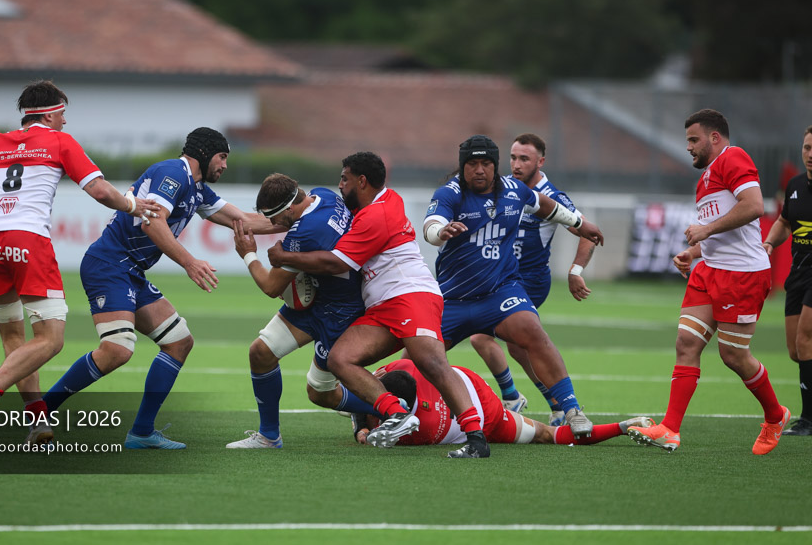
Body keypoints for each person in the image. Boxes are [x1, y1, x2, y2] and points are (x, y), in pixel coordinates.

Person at [41, 127, 279, 450]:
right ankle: (39, 411)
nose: (224, 166)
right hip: (109, 264)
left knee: (179, 342)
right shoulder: (173, 173)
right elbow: (153, 221)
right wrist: (190, 262)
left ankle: (141, 432)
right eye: (222, 157)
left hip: (130, 271)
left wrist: (296, 218)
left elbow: (243, 221)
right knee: (117, 349)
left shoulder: (197, 189)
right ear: (206, 153)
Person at [0, 80, 154, 445]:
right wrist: (132, 205)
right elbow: (99, 190)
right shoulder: (59, 142)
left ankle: (37, 420)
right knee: (51, 340)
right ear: (48, 113)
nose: (65, 122)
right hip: (28, 242)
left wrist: (1, 208)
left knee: (16, 339)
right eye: (63, 114)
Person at [268, 152, 493, 459]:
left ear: (362, 181)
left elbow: (335, 263)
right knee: (340, 359)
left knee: (432, 364)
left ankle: (476, 439)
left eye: (345, 178)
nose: (340, 184)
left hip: (411, 296)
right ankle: (397, 414)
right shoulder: (375, 204)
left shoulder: (377, 215)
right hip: (383, 307)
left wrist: (284, 258)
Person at [627, 109, 790, 454]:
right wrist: (695, 252)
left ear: (715, 138)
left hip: (742, 275)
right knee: (686, 343)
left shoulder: (734, 157)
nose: (688, 147)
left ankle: (775, 416)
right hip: (709, 271)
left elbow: (755, 206)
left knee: (733, 356)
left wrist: (705, 230)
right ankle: (670, 429)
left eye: (693, 139)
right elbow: (723, 229)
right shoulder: (704, 180)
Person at [423, 135, 603, 438]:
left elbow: (546, 207)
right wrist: (442, 230)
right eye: (472, 164)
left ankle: (570, 409)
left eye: (485, 164)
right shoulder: (450, 193)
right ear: (462, 167)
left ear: (494, 167)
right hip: (453, 298)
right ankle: (386, 408)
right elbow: (430, 227)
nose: (479, 170)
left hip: (501, 290)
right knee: (419, 358)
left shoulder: (514, 190)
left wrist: (579, 223)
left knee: (530, 332)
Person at [227, 174, 376, 448]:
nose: (273, 225)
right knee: (260, 353)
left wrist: (248, 253)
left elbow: (271, 287)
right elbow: (283, 226)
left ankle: (395, 407)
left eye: (275, 218)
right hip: (318, 297)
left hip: (339, 311)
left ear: (289, 210)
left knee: (320, 393)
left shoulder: (305, 233)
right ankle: (269, 436)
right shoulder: (324, 195)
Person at [468, 133, 596, 424]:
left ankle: (537, 401)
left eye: (524, 159)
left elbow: (588, 233)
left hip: (530, 281)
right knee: (492, 340)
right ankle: (530, 399)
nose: (516, 164)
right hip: (499, 279)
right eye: (513, 157)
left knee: (486, 335)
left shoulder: (552, 196)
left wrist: (575, 271)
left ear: (540, 161)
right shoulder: (503, 188)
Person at [351, 359, 654, 449]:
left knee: (547, 435)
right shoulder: (404, 365)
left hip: (490, 418)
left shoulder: (417, 431)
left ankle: (623, 427)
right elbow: (362, 394)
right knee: (548, 435)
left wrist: (362, 432)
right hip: (480, 397)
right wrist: (361, 427)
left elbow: (360, 400)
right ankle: (624, 426)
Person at [757, 124, 812, 436]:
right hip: (799, 274)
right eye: (807, 148)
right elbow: (783, 221)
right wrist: (768, 243)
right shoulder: (794, 186)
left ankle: (808, 419)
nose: (810, 154)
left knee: (806, 339)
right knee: (796, 350)